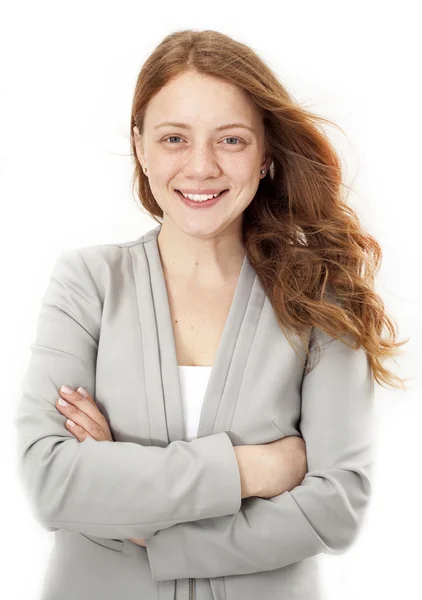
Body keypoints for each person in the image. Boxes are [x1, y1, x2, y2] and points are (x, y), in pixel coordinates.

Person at [15, 29, 410, 600]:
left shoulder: (322, 297)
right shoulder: (88, 283)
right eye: (174, 138)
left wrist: (132, 505)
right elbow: (50, 482)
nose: (201, 167)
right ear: (140, 147)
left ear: (266, 154)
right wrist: (252, 472)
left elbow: (336, 507)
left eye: (230, 140)